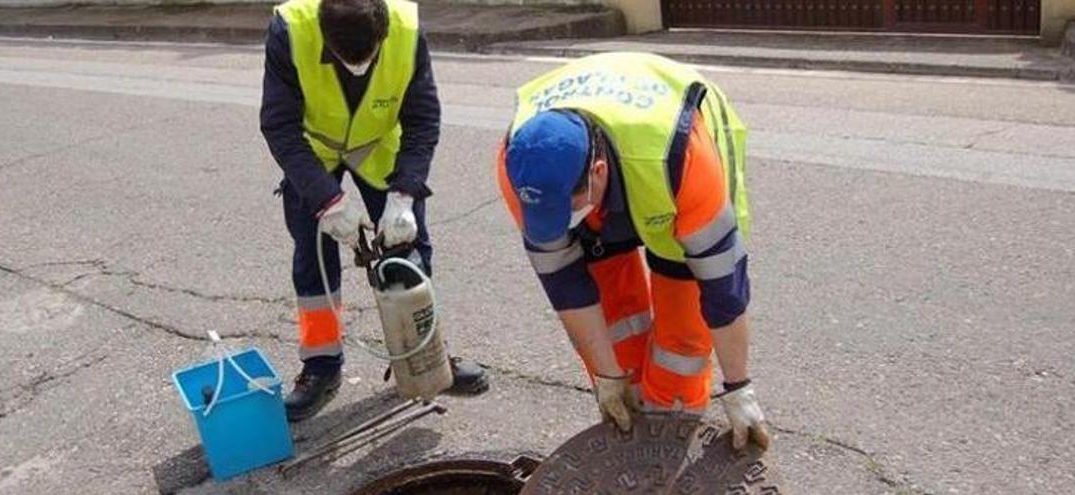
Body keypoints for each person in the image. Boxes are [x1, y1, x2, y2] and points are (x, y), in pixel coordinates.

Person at [496, 52, 770, 450]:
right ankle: (635, 423)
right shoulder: (521, 168)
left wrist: (739, 387)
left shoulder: (681, 159)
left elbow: (723, 289)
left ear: (598, 173)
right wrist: (609, 378)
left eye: (567, 208)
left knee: (683, 332)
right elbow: (566, 286)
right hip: (605, 155)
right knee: (616, 328)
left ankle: (673, 431)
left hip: (671, 159)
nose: (562, 221)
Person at [260, 0, 487, 422]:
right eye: (345, 59)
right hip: (316, 153)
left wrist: (404, 196)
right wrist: (326, 198)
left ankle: (425, 359)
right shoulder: (290, 30)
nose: (358, 68)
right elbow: (279, 125)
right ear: (326, 36)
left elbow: (423, 118)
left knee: (409, 255)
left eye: (367, 58)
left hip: (381, 146)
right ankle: (321, 367)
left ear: (382, 32)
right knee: (314, 264)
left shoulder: (406, 27)